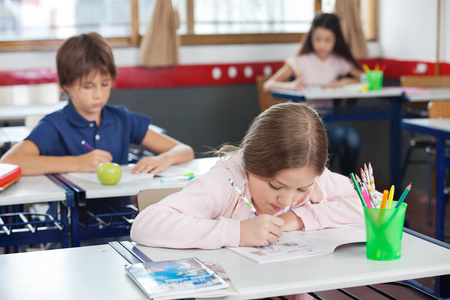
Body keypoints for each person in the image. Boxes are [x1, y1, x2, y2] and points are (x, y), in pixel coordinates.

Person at [0, 32, 194, 227]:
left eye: (105, 84)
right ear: (65, 84)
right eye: (87, 86)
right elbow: (10, 161)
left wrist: (163, 159)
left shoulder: (122, 119)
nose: (98, 94)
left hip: (121, 223)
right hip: (69, 227)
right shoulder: (56, 124)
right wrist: (77, 163)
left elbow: (184, 150)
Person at [131, 102, 363, 250]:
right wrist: (238, 232)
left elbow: (371, 203)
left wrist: (298, 217)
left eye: (302, 190)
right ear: (251, 164)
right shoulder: (225, 183)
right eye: (275, 186)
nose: (287, 200)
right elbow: (145, 225)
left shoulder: (308, 176)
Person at [263, 13, 364, 176]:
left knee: (353, 139)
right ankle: (322, 177)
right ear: (311, 38)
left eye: (327, 40)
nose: (321, 44)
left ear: (335, 40)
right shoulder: (300, 60)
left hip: (330, 118)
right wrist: (291, 85)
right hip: (307, 121)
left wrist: (344, 81)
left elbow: (363, 77)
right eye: (317, 39)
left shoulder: (338, 61)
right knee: (337, 135)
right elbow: (268, 85)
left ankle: (348, 184)